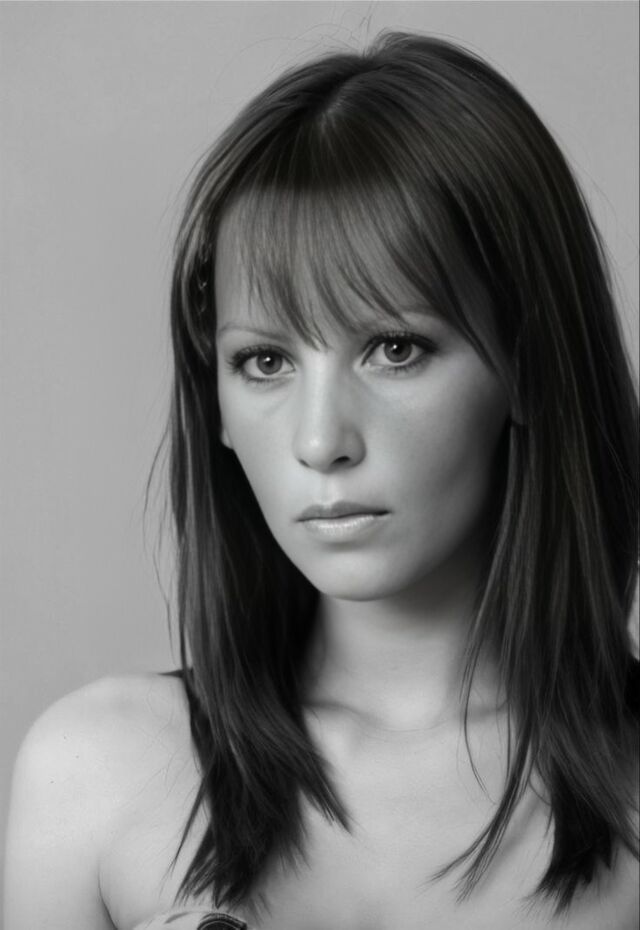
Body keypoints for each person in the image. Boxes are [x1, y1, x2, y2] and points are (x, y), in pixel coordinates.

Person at [4, 30, 639, 930]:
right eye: (264, 362)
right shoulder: (95, 776)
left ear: (529, 367)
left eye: (395, 349)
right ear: (216, 404)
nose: (319, 440)